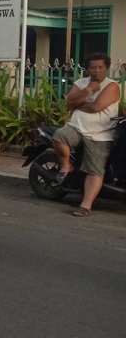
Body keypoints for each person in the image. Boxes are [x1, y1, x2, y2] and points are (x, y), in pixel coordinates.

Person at [51, 52, 121, 217]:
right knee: (59, 136)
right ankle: (66, 165)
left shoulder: (112, 86)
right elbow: (69, 101)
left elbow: (96, 107)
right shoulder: (81, 83)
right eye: (93, 67)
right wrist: (88, 89)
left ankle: (85, 205)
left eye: (100, 67)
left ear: (107, 68)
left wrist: (77, 104)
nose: (96, 71)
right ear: (87, 69)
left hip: (100, 134)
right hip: (76, 127)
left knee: (95, 169)